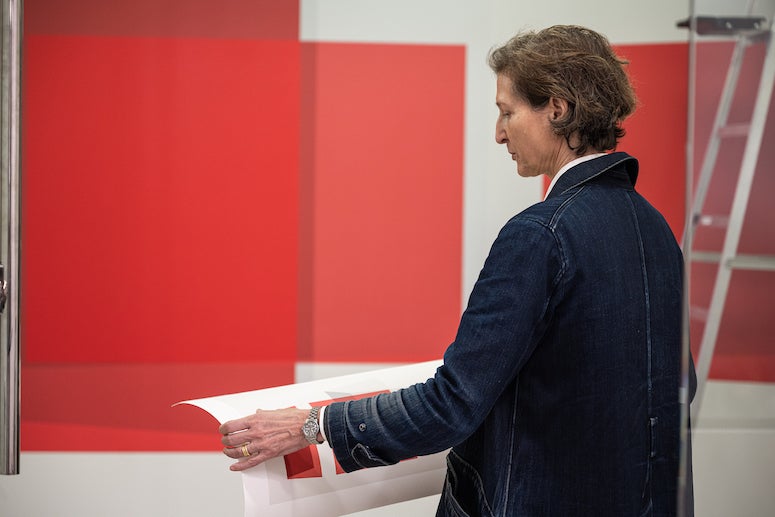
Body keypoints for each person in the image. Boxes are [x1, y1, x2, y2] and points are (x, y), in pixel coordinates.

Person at [219, 25, 694, 516]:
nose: (499, 132)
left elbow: (452, 405)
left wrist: (311, 425)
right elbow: (673, 390)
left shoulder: (540, 235)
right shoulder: (656, 229)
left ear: (557, 108)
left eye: (508, 111)